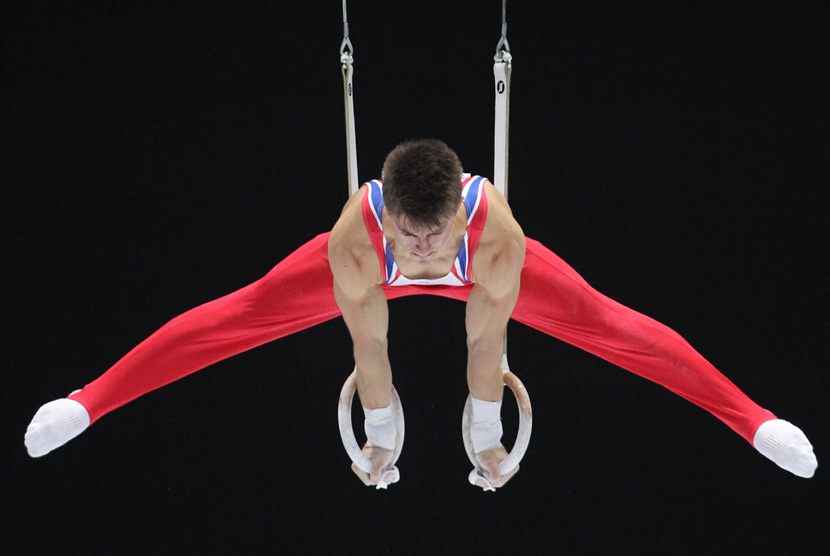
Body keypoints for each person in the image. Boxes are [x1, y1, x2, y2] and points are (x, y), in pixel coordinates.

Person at [25, 139, 817, 488]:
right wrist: (378, 428)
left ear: (457, 215)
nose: (426, 251)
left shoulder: (496, 238)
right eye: (412, 234)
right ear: (390, 213)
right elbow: (370, 347)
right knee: (244, 312)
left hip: (492, 288)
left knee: (611, 326)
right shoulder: (356, 242)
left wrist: (484, 426)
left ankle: (752, 421)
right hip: (369, 281)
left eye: (437, 236)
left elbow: (488, 341)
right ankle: (87, 402)